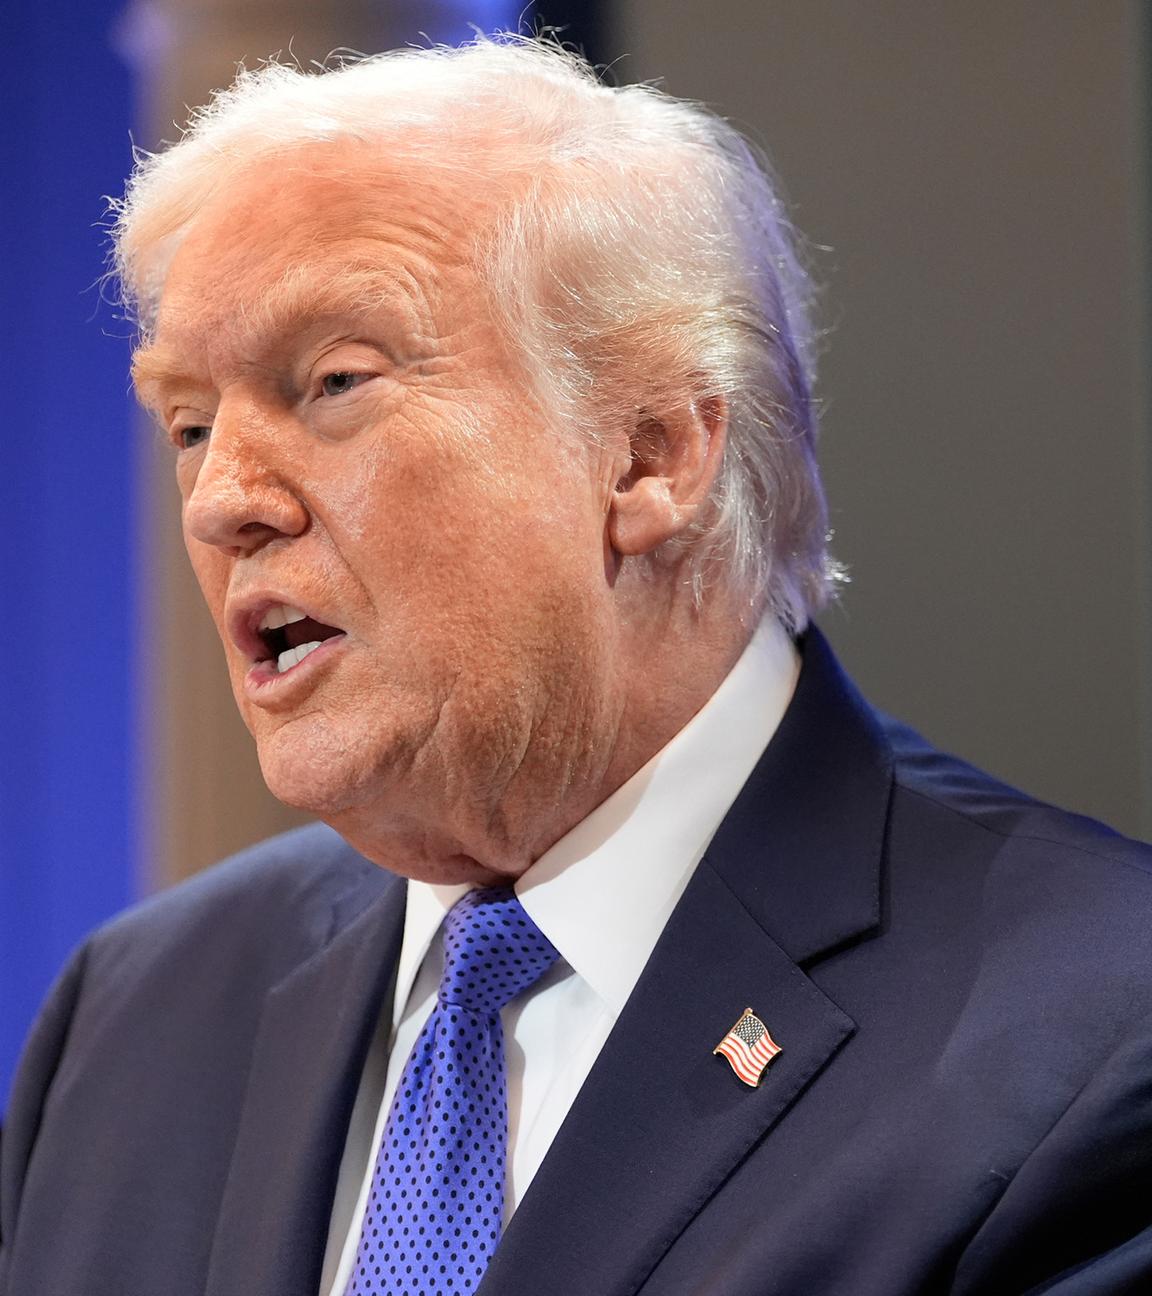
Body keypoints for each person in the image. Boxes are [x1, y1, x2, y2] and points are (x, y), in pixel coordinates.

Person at [2, 36, 1151, 1296]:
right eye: (190, 424)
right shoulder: (134, 1015)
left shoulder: (1095, 1030)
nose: (223, 501)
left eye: (334, 381)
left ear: (651, 454)